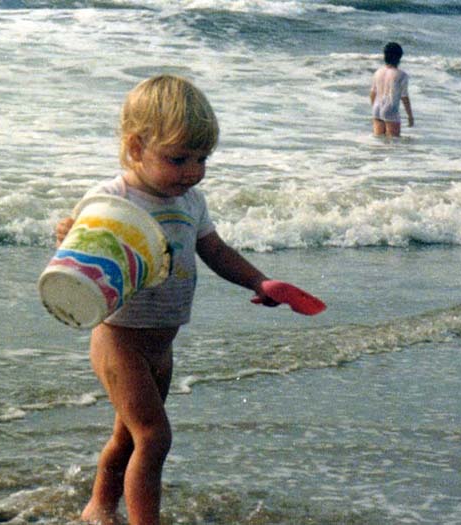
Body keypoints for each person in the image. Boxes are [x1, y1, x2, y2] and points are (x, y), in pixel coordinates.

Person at [54, 74, 282, 525]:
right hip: (120, 340)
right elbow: (75, 261)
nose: (193, 170)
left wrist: (259, 282)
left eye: (202, 158)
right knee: (154, 437)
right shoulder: (113, 198)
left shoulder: (191, 202)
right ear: (136, 148)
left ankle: (99, 507)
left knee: (129, 437)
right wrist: (69, 235)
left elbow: (215, 251)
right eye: (179, 158)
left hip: (162, 345)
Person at [370, 42, 414, 137]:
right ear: (399, 57)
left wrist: (374, 107)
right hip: (390, 108)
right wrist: (410, 116)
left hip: (377, 107)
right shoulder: (401, 75)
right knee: (393, 143)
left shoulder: (378, 72)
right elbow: (404, 96)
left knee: (378, 141)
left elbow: (373, 93)